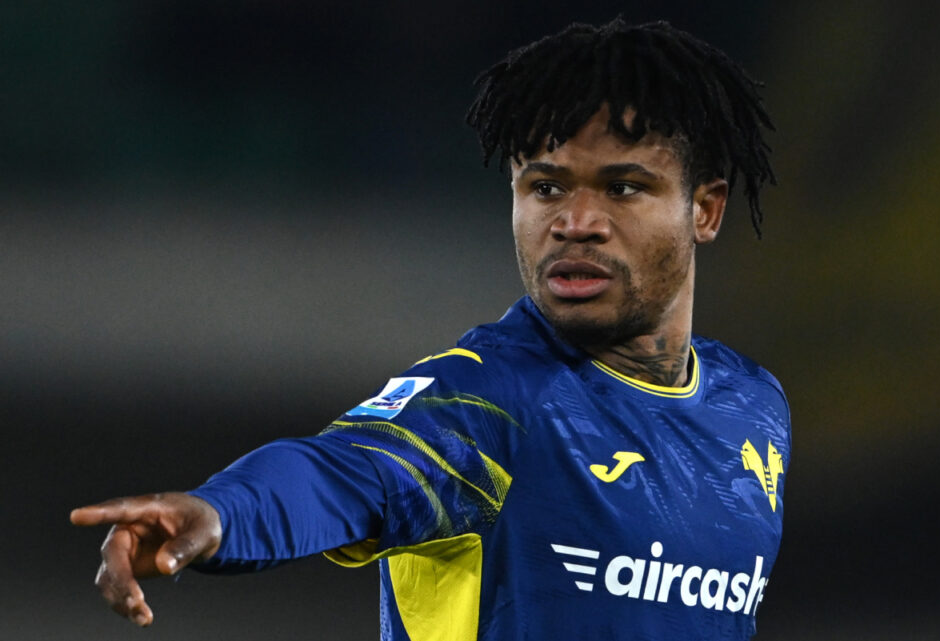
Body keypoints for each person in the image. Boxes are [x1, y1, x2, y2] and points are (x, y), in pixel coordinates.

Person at [71, 18, 790, 640]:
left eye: (622, 188)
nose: (575, 222)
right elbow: (342, 471)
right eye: (545, 187)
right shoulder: (490, 400)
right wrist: (220, 511)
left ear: (705, 209)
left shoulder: (754, 409)